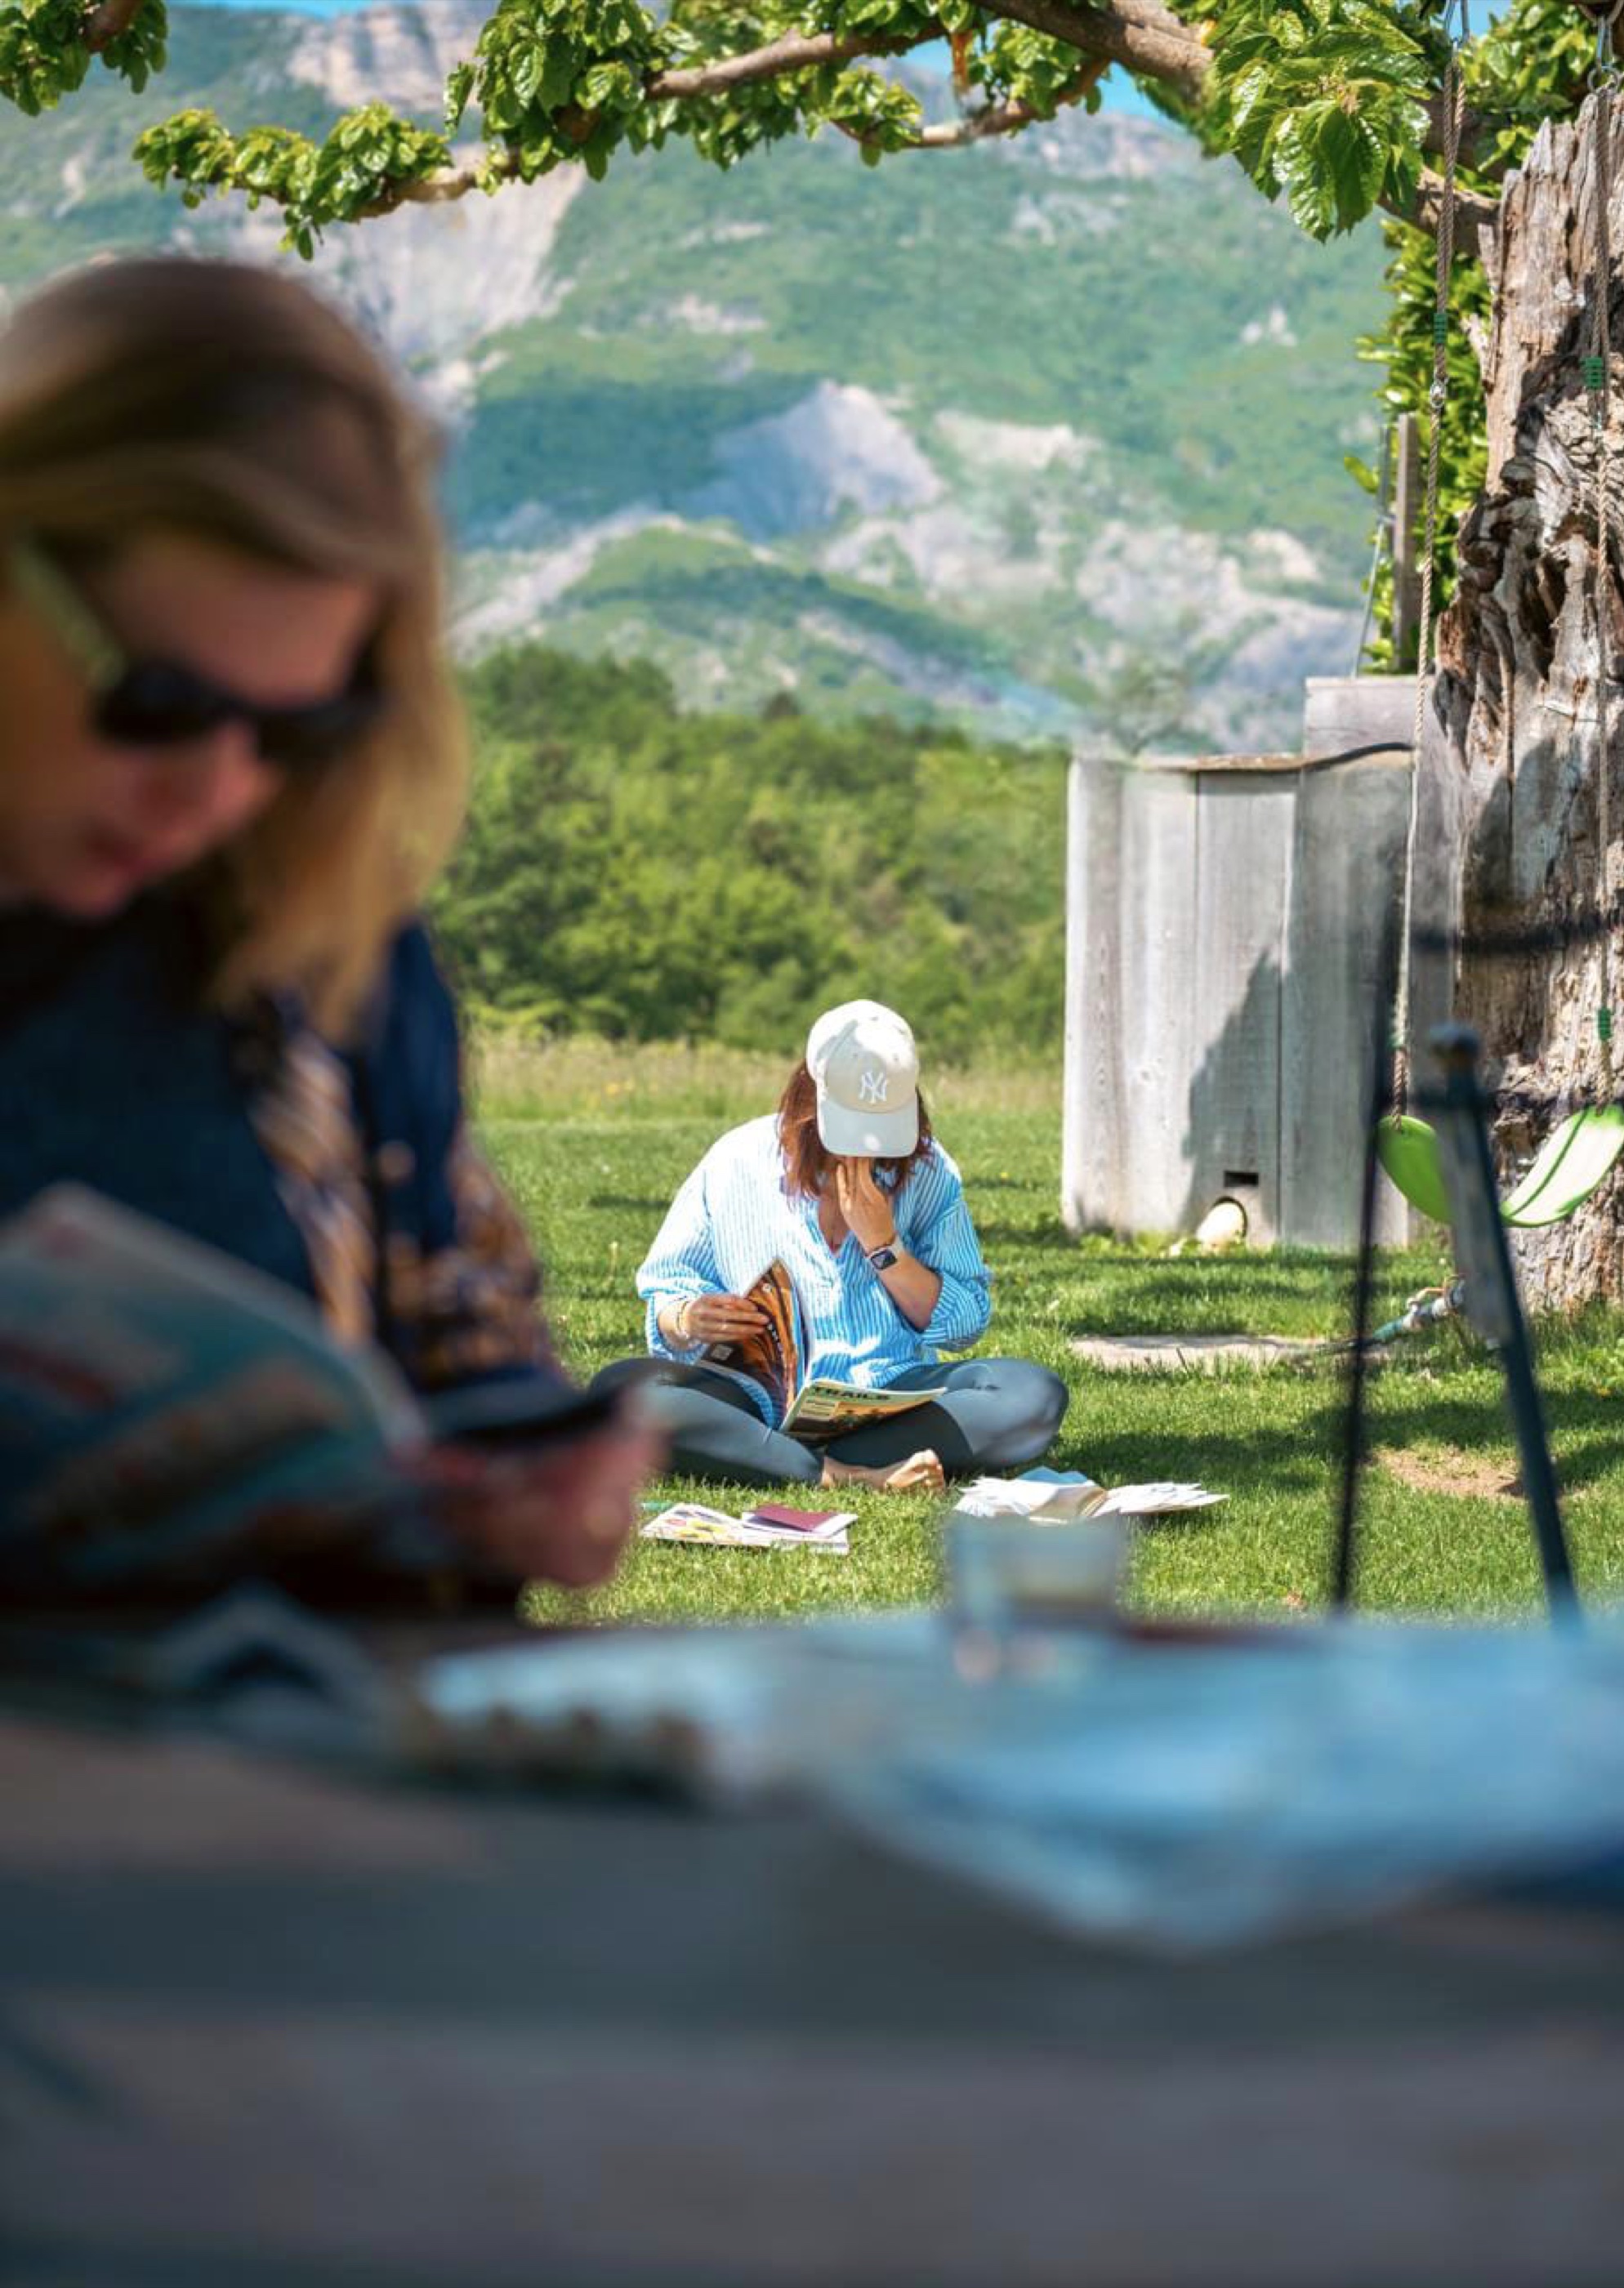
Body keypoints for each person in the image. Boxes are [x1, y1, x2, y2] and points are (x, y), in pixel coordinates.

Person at [0, 254, 658, 1599]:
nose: (220, 790)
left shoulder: (327, 955)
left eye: (300, 730)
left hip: (260, 1771)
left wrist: (529, 1483)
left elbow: (462, 1351)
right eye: (162, 705)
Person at [602, 1000, 1069, 1490]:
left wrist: (884, 1244)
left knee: (1033, 1393)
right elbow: (667, 1294)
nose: (864, 1147)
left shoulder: (929, 1171)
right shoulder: (734, 1160)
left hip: (889, 1398)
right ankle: (839, 1473)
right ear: (807, 1097)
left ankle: (764, 1455)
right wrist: (688, 1318)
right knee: (621, 1390)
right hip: (754, 1399)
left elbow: (965, 1324)